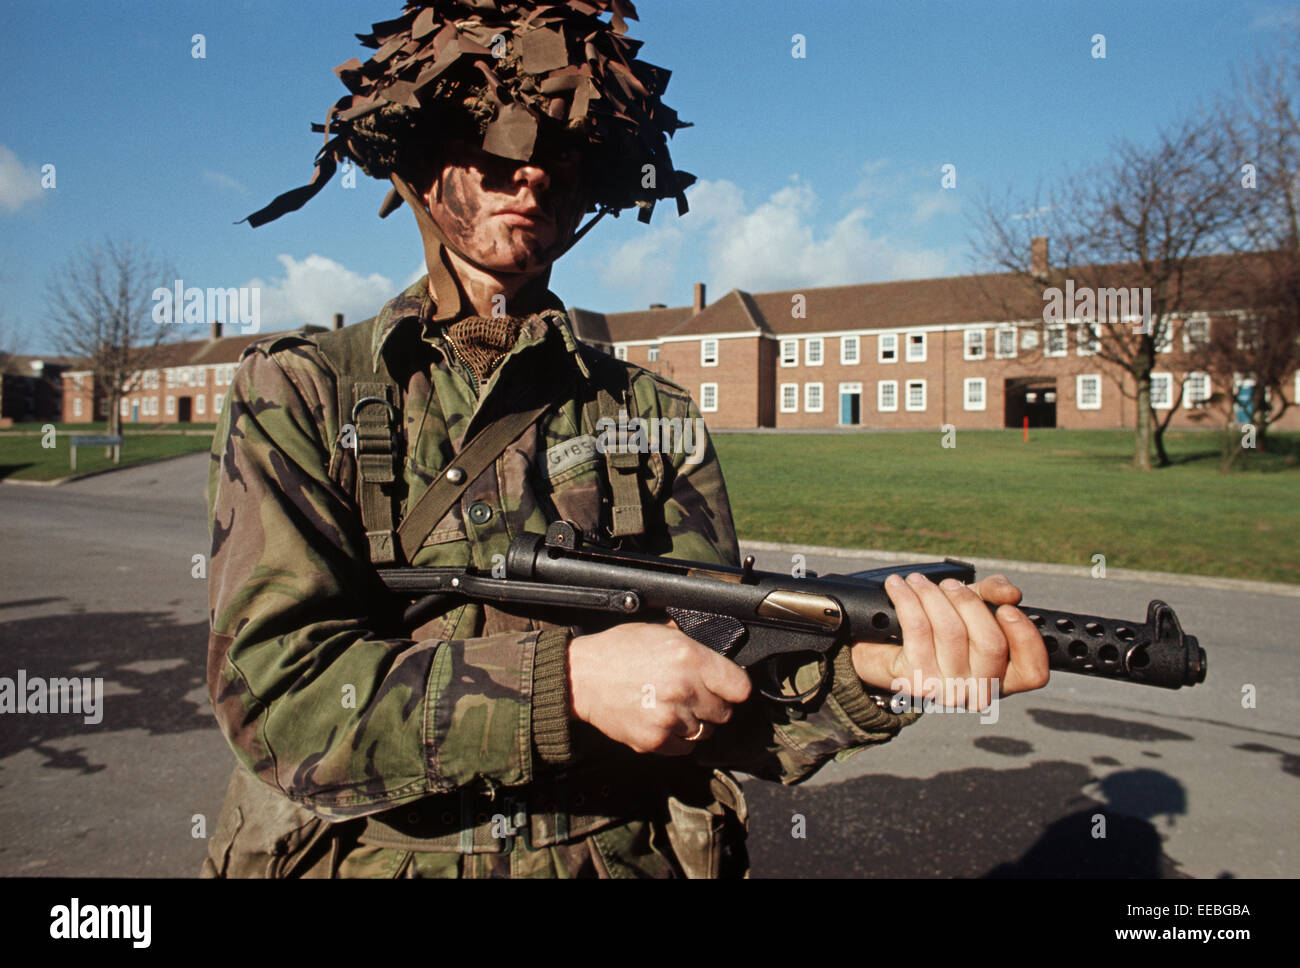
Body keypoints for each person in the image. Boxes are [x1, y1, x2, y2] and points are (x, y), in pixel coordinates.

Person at [202, 0, 1048, 879]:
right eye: (497, 145)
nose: (527, 175)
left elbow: (726, 688)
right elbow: (276, 695)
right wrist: (562, 686)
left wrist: (865, 676)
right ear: (422, 160)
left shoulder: (651, 411)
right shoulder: (302, 389)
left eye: (558, 151)